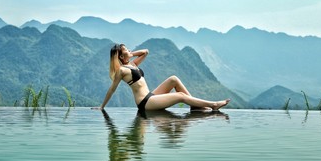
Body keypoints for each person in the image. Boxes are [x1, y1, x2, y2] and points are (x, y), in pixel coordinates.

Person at [95, 43, 230, 112]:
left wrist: (130, 54)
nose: (129, 50)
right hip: (144, 103)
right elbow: (112, 89)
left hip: (150, 96)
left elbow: (145, 52)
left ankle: (194, 107)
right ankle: (213, 105)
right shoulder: (122, 70)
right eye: (126, 50)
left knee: (173, 79)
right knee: (180, 96)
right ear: (120, 56)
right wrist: (102, 107)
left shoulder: (132, 64)